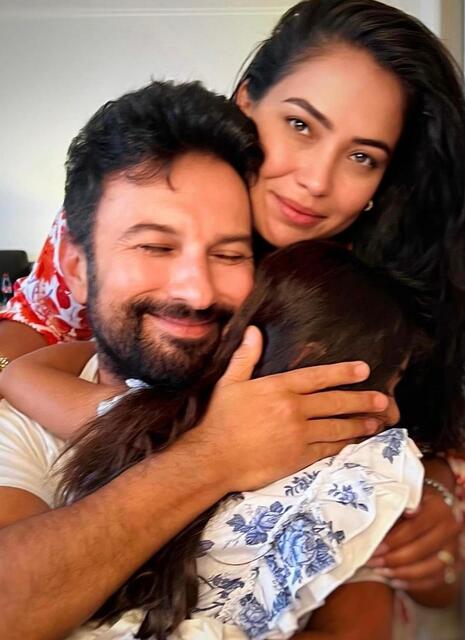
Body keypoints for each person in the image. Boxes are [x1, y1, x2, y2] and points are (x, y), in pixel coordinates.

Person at [0, 0, 463, 613]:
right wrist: (139, 422)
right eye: (300, 124)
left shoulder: (363, 287)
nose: (316, 181)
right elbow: (27, 329)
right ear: (246, 104)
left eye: (362, 157)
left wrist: (436, 490)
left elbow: (412, 430)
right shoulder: (138, 197)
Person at [0, 79, 385, 640]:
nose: (198, 292)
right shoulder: (24, 425)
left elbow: (360, 614)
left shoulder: (288, 400)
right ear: (77, 269)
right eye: (155, 246)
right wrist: (212, 458)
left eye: (229, 254)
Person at [57, 240, 426, 640]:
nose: (393, 413)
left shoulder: (151, 415)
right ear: (311, 364)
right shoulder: (356, 472)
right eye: (391, 383)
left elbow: (24, 376)